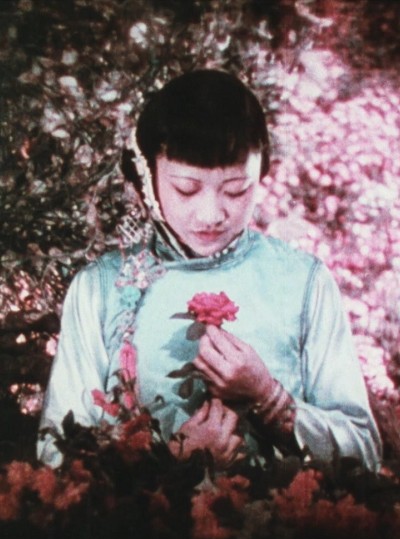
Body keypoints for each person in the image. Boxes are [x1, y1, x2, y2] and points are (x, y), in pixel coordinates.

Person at [38, 69, 381, 470]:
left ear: (261, 174)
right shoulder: (100, 289)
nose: (211, 214)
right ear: (148, 176)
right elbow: (54, 456)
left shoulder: (304, 282)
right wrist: (171, 462)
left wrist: (270, 398)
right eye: (186, 189)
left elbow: (365, 455)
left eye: (237, 190)